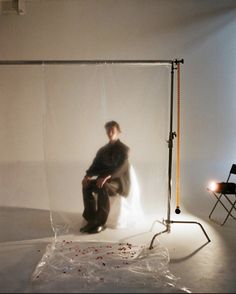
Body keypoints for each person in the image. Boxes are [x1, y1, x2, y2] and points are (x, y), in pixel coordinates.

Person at [80, 120, 130, 234]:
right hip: (102, 179)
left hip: (118, 182)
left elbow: (122, 167)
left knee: (103, 186)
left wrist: (107, 176)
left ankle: (100, 222)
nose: (110, 132)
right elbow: (95, 165)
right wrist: (88, 175)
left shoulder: (124, 149)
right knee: (86, 186)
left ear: (118, 131)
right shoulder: (103, 150)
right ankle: (91, 219)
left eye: (112, 130)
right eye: (108, 130)